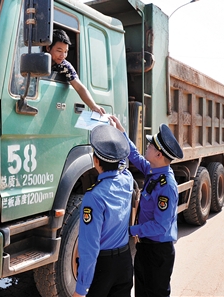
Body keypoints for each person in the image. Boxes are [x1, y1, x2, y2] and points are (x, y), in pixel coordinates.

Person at [111, 116, 183, 297]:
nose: (147, 146)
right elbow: (133, 155)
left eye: (150, 146)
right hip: (145, 247)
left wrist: (131, 230)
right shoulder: (153, 170)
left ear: (159, 155)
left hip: (158, 252)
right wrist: (121, 132)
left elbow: (160, 225)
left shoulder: (167, 185)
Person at [73, 124, 134, 297]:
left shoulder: (93, 196)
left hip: (103, 267)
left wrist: (81, 289)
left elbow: (90, 247)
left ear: (96, 160)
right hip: (125, 261)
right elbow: (123, 162)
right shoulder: (127, 181)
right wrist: (119, 135)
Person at [46, 29, 105, 115]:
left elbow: (79, 87)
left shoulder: (65, 66)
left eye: (65, 52)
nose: (63, 56)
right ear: (48, 48)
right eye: (59, 51)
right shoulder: (35, 56)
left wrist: (93, 105)